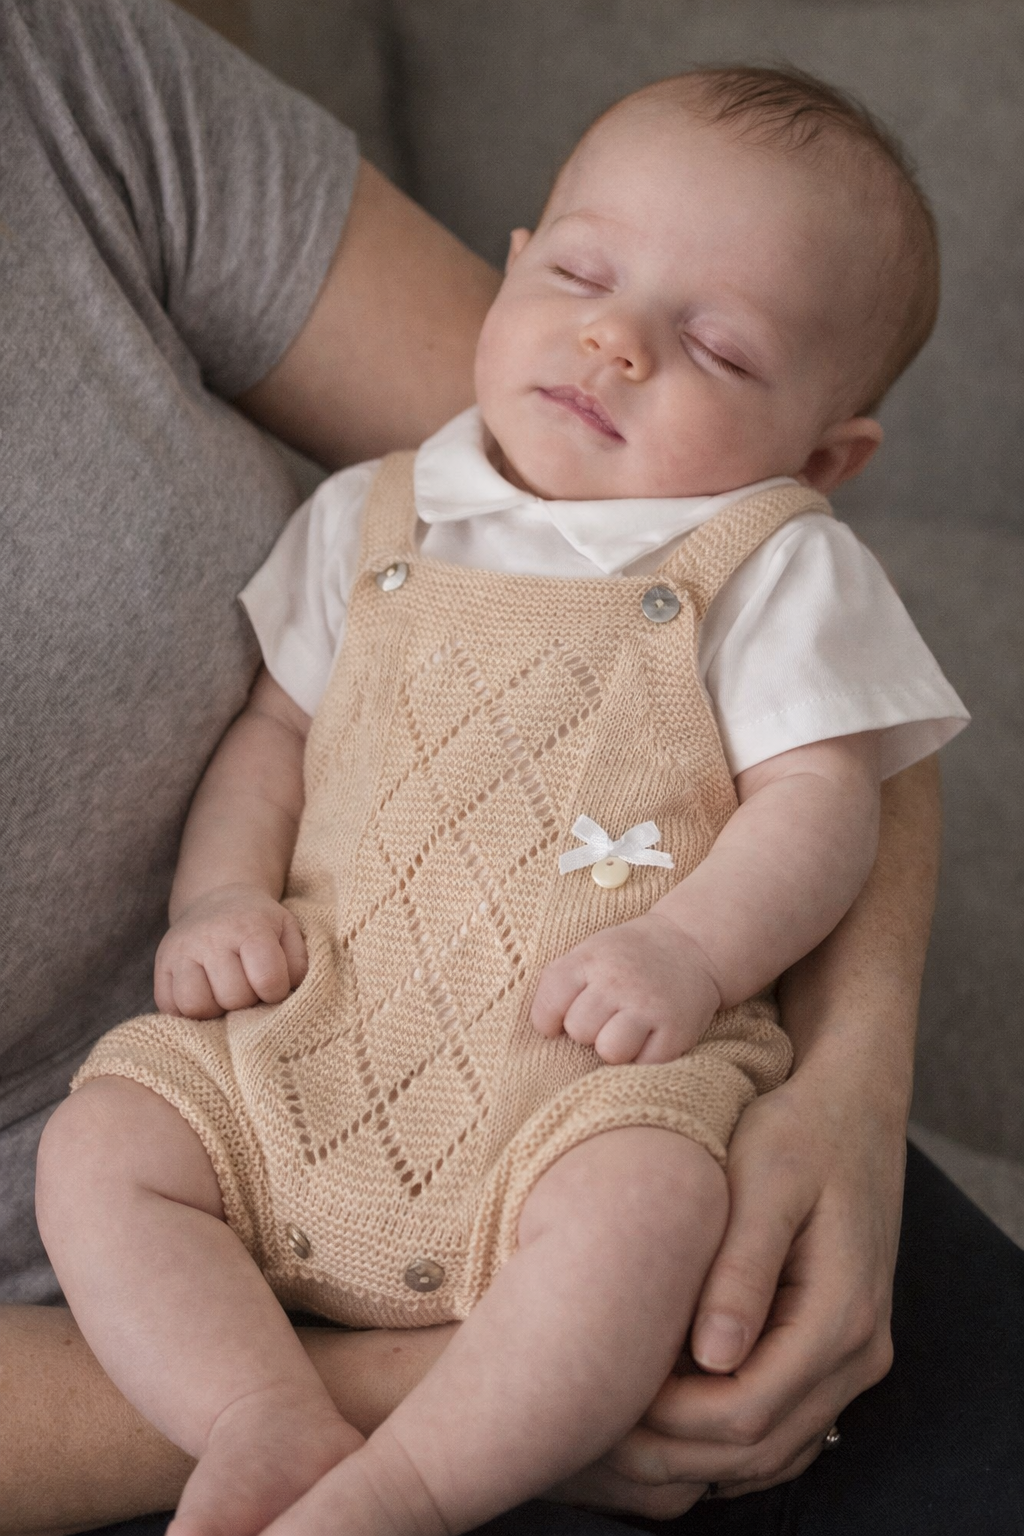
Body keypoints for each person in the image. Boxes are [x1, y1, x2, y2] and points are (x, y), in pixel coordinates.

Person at [3, 6, 1021, 1535]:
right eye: (579, 277)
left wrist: (702, 955)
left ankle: (405, 1494)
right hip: (296, 1040)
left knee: (652, 1213)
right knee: (101, 1151)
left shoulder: (768, 565)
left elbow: (827, 799)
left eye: (721, 346)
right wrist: (219, 892)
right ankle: (257, 1419)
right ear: (522, 250)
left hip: (580, 1084)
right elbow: (275, 736)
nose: (616, 339)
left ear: (824, 458)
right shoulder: (374, 513)